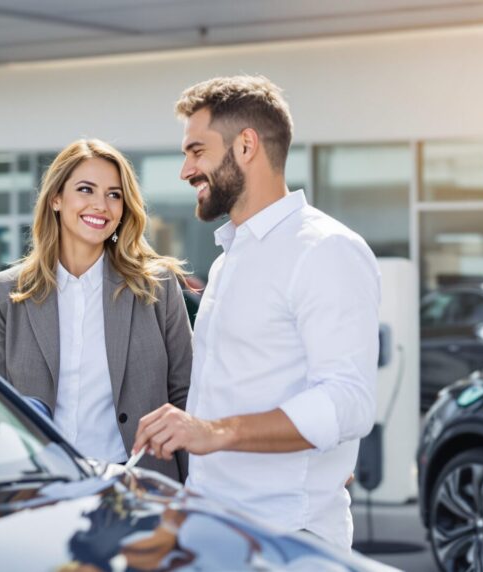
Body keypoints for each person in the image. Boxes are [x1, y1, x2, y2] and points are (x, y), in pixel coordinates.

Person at [131, 76, 381, 550]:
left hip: (287, 540)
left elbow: (347, 402)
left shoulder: (326, 249)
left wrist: (211, 432)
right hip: (214, 527)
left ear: (246, 146)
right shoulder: (229, 261)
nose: (185, 170)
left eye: (196, 151)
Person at [0, 139, 192, 482]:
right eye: (86, 190)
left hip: (140, 483)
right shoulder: (5, 292)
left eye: (114, 194)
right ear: (56, 199)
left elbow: (185, 395)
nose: (101, 205)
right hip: (41, 485)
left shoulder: (157, 287)